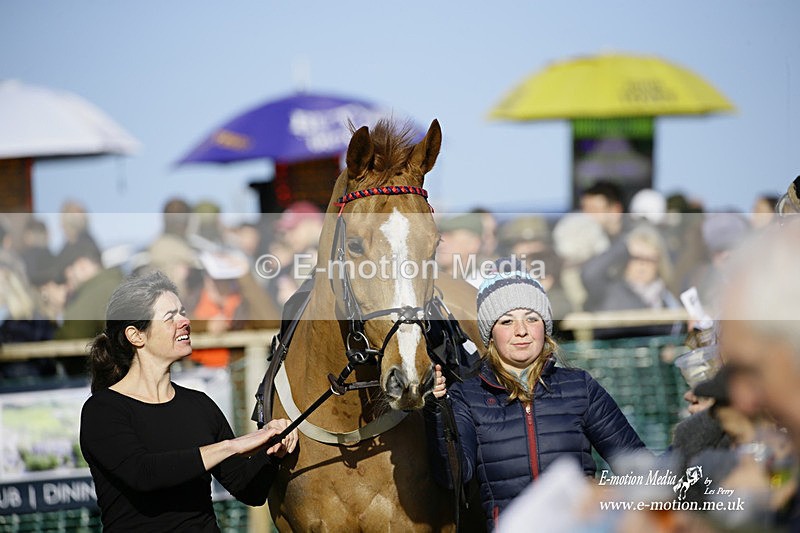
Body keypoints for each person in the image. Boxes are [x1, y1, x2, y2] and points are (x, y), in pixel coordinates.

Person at [424, 269, 646, 530]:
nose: (521, 331)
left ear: (545, 327)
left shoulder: (580, 386)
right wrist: (437, 409)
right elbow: (454, 476)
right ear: (490, 333)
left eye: (532, 319)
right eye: (506, 321)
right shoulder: (466, 396)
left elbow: (638, 465)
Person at [79, 271, 297, 532]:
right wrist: (231, 446)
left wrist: (272, 451)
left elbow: (248, 489)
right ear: (136, 335)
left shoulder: (198, 405)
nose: (185, 321)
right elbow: (144, 474)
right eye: (170, 317)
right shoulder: (103, 410)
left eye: (182, 312)